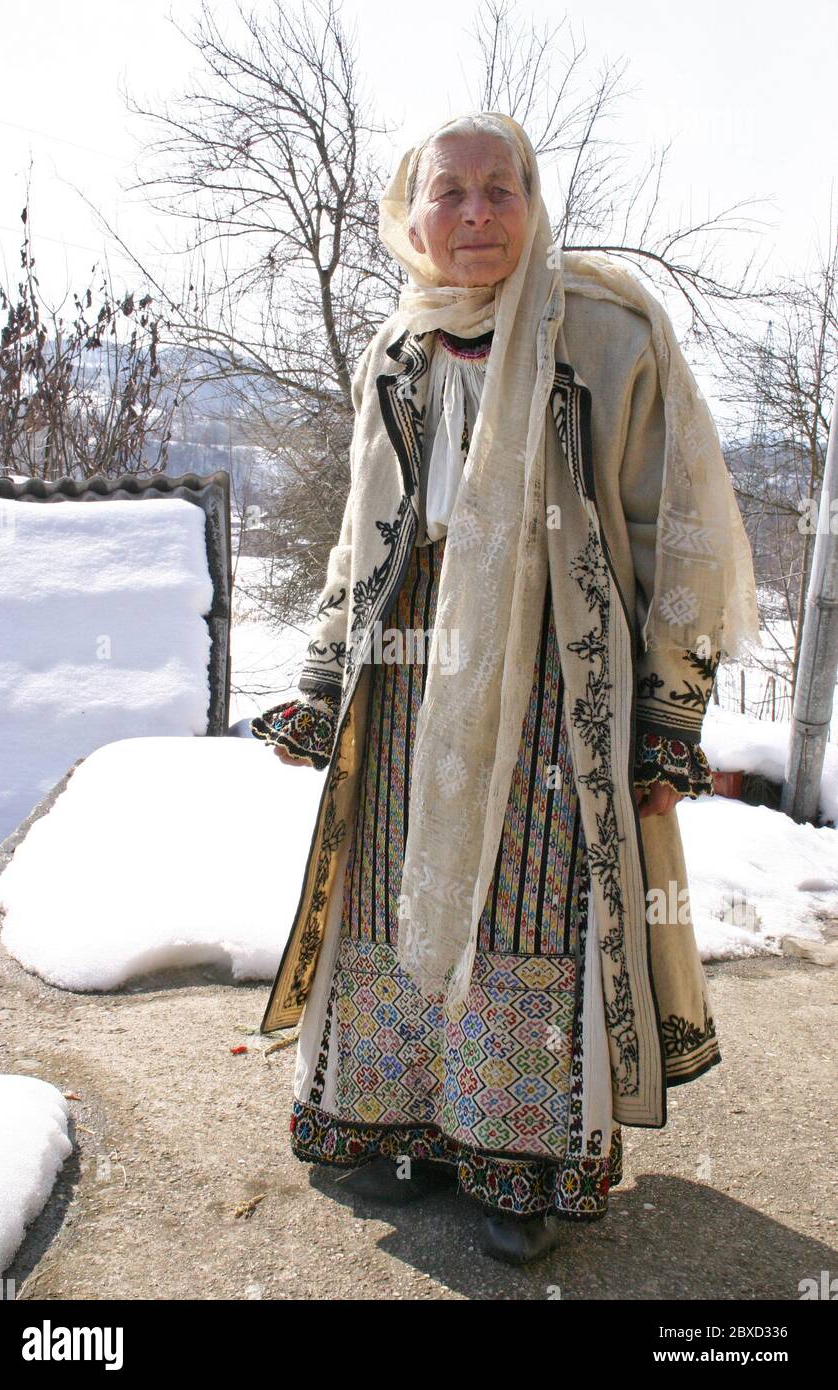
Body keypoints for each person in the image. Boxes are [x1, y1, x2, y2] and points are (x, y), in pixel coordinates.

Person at [251, 112, 760, 1266]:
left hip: (550, 678)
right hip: (408, 675)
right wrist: (329, 676)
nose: (474, 215)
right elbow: (357, 532)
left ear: (531, 202)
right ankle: (406, 1121)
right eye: (449, 193)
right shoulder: (396, 348)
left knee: (527, 908)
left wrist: (667, 713)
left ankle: (515, 1159)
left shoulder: (607, 332)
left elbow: (672, 527)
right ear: (410, 211)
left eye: (499, 189)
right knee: (393, 892)